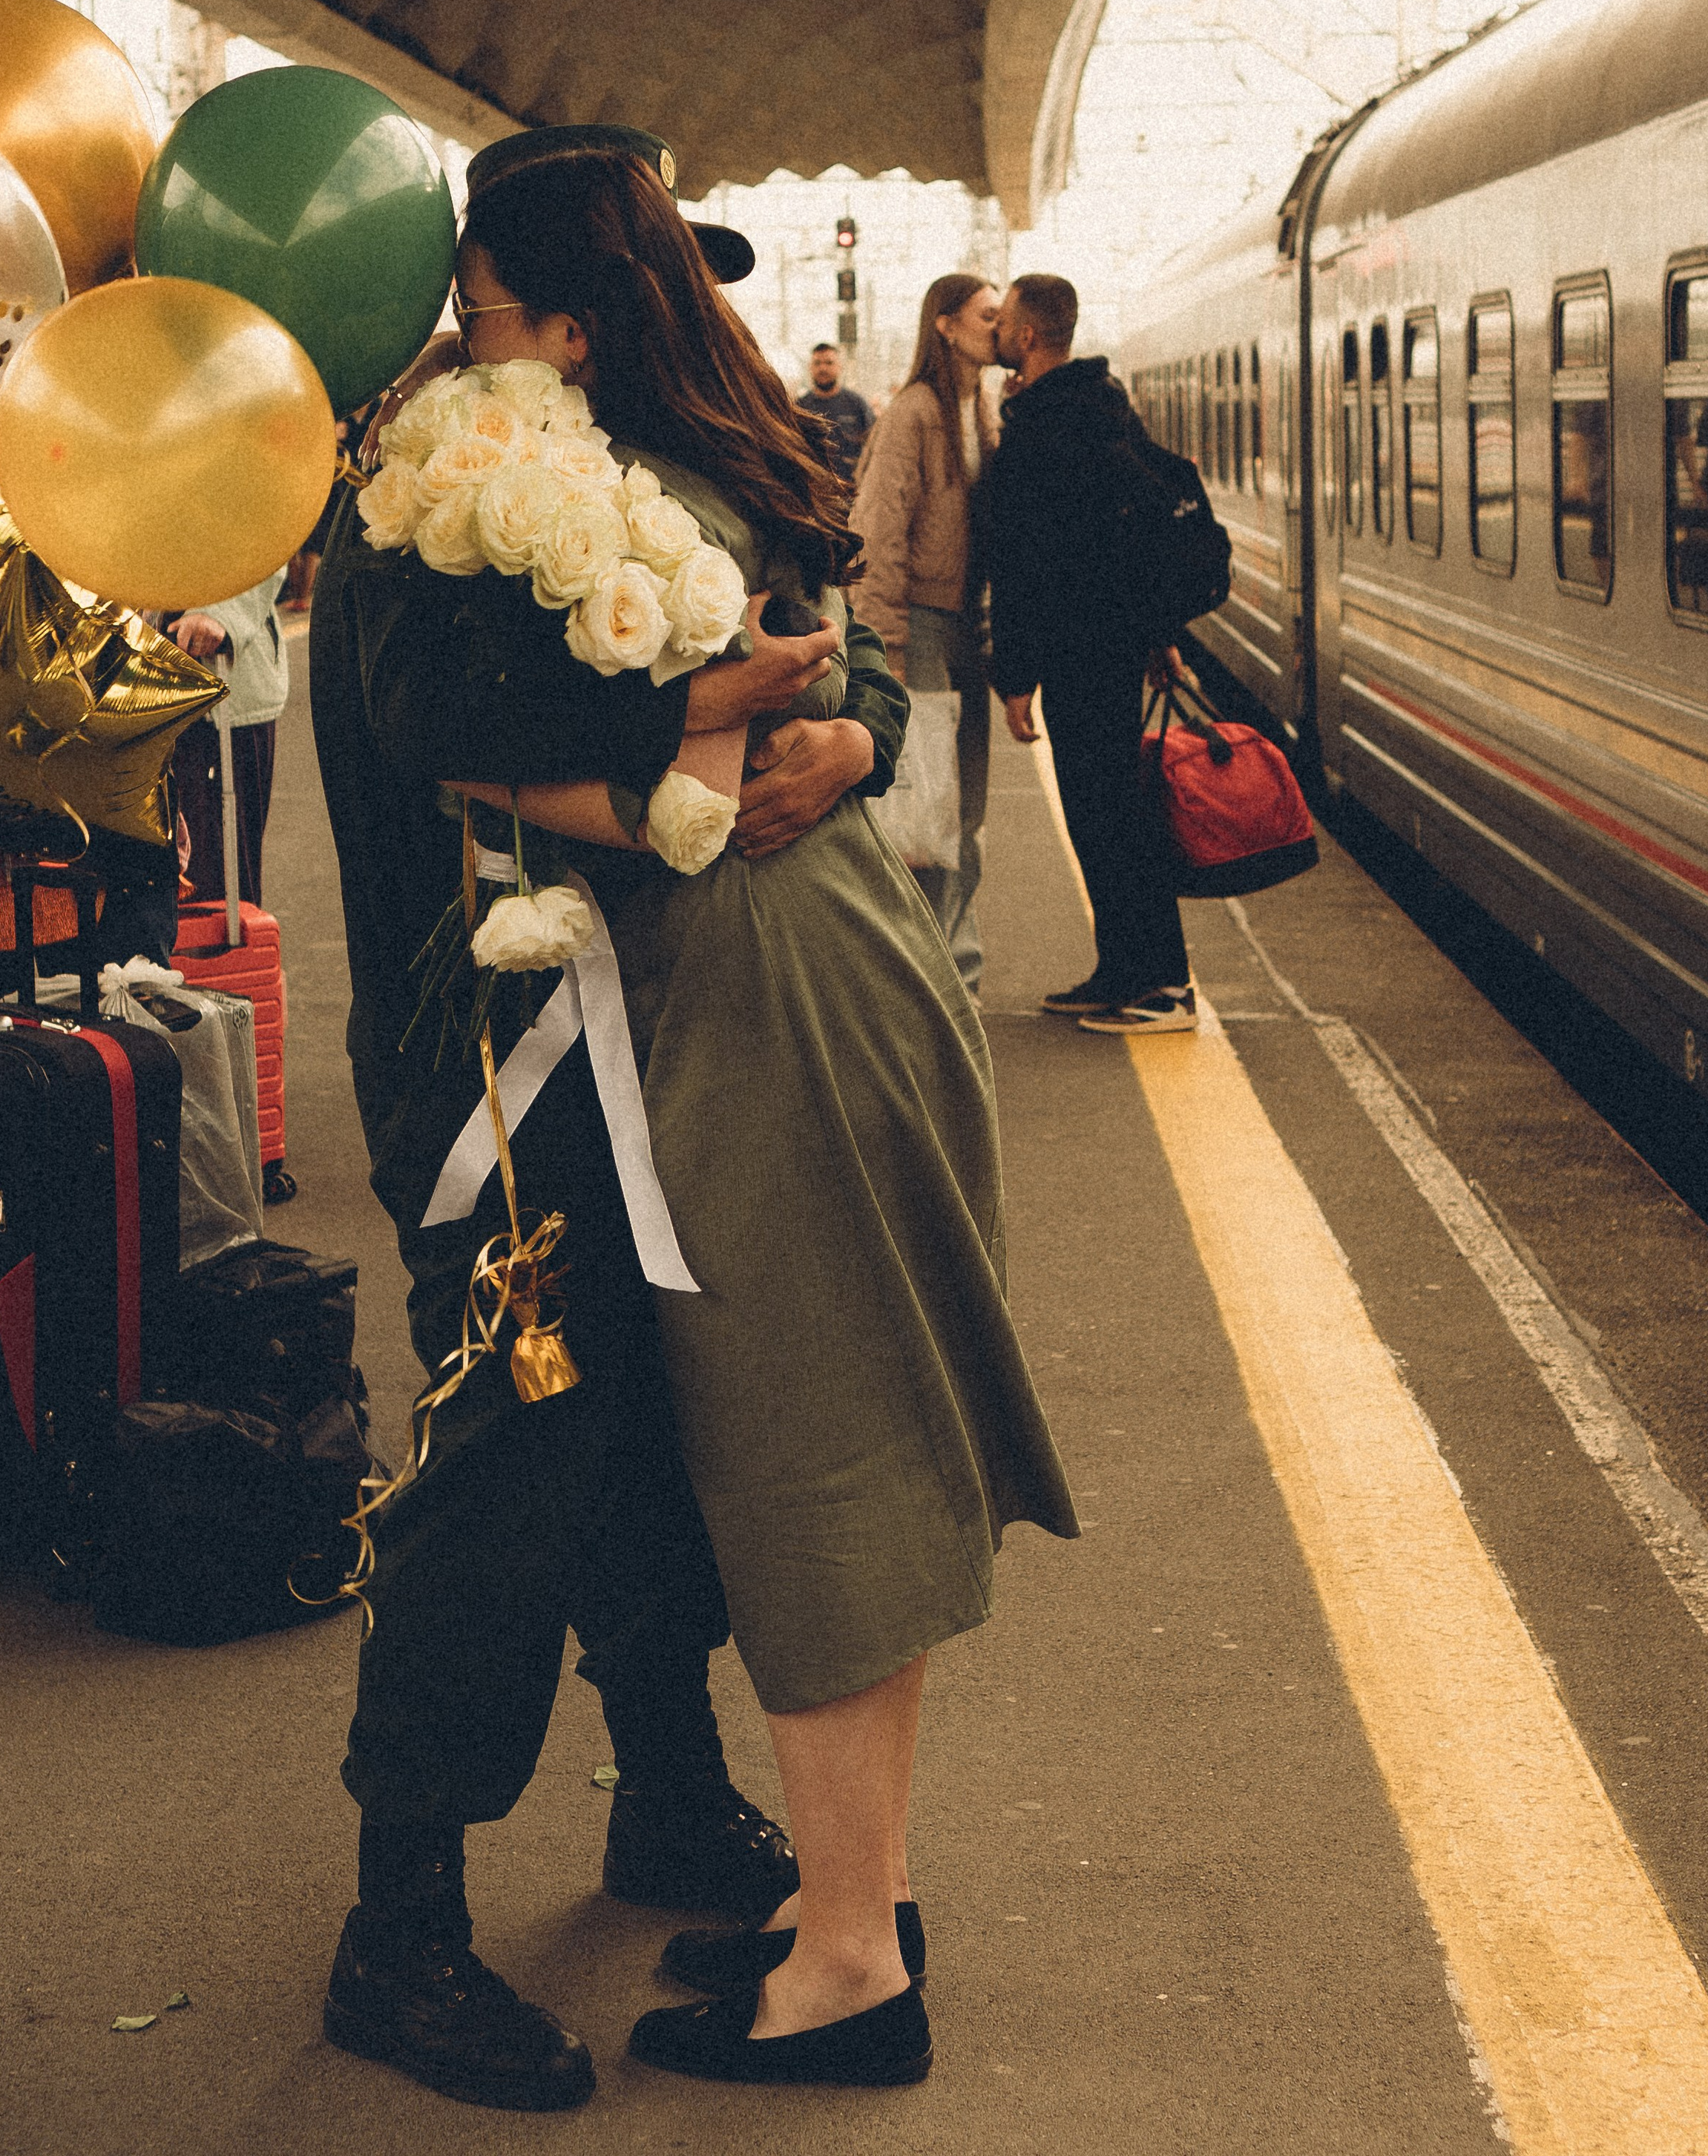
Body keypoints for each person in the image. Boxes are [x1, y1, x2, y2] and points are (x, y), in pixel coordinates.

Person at [429, 137, 1076, 2094]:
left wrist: (603, 777)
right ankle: (845, 1899)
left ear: (561, 317)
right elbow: (825, 675)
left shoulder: (590, 498)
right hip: (827, 955)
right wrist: (835, 723)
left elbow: (538, 733)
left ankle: (853, 1966)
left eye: (478, 320)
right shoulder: (717, 447)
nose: (465, 360)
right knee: (851, 1423)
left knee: (816, 1451)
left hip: (765, 987)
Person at [985, 273, 1198, 1034]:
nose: (997, 330)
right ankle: (1121, 970)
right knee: (1107, 812)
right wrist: (1157, 635)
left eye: (1003, 319)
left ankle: (1164, 985)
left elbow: (1026, 561)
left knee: (1112, 817)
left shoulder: (1045, 424)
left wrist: (1014, 676)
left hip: (1081, 651)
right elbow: (1124, 535)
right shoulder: (1100, 403)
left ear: (1029, 337)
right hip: (1111, 642)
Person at [847, 275, 1002, 990]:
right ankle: (941, 970)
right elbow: (877, 532)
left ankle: (949, 962)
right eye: (986, 315)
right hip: (923, 628)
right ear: (944, 325)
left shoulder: (982, 409)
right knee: (927, 808)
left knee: (963, 806)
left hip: (967, 627)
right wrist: (888, 651)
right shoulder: (914, 412)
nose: (998, 327)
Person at [167, 575, 289, 907]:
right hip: (123, 686)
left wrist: (222, 612)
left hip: (217, 687)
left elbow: (268, 538)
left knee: (214, 885)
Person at [794, 341, 873, 479]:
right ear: (810, 368)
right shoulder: (799, 408)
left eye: (829, 363)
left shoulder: (857, 405)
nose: (823, 368)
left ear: (840, 367)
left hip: (852, 489)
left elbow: (872, 447)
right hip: (813, 490)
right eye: (817, 363)